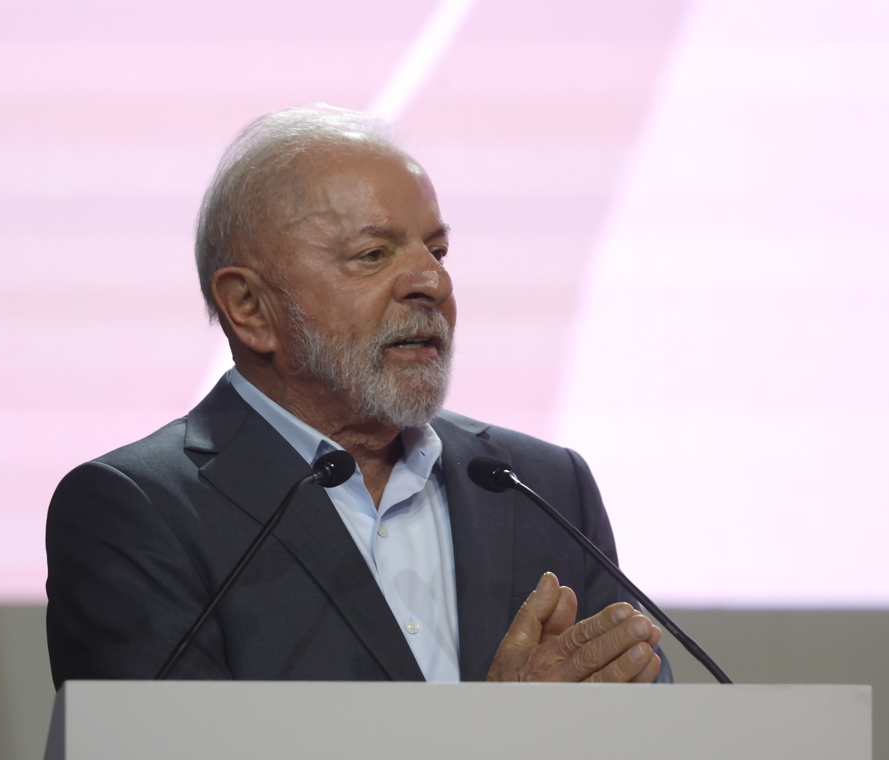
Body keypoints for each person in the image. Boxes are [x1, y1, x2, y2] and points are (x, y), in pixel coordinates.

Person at [46, 104, 669, 687]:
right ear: (250, 308)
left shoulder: (541, 487)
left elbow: (652, 723)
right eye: (373, 254)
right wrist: (499, 738)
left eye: (438, 249)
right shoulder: (135, 513)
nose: (433, 280)